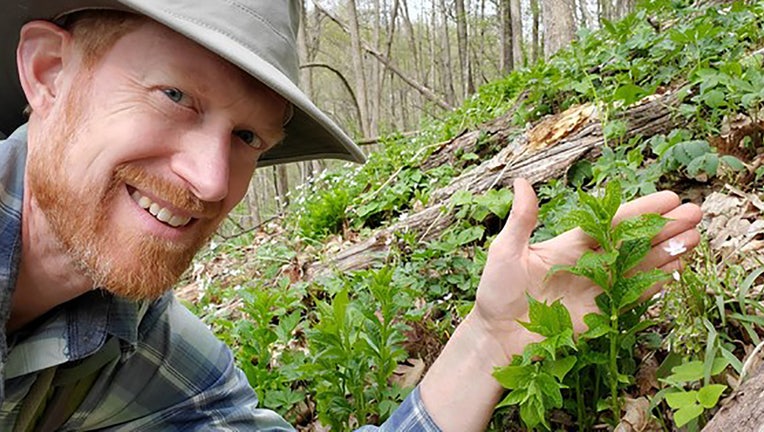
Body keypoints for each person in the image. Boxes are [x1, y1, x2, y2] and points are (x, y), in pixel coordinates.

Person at [0, 1, 702, 431]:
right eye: (175, 95)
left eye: (248, 138)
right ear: (48, 72)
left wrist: (492, 340)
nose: (212, 181)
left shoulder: (128, 338)